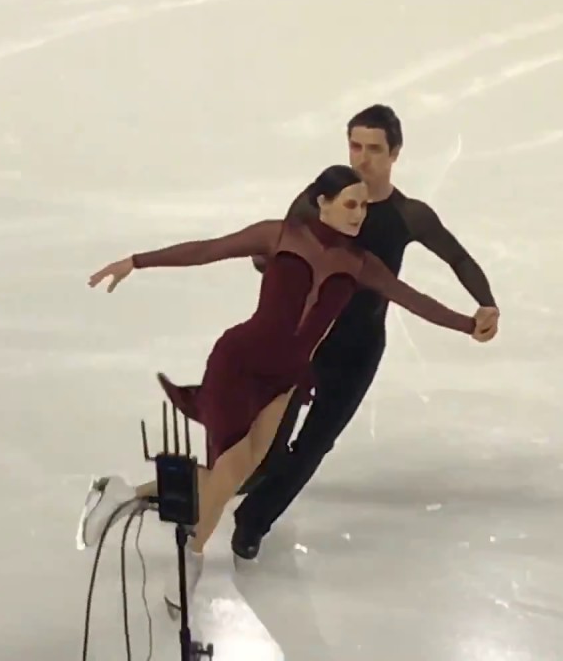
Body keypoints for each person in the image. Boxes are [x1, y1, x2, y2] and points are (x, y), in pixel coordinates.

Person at [76, 164, 487, 613]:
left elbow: (413, 299)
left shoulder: (360, 263)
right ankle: (189, 563)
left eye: (365, 206)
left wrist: (468, 325)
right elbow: (207, 250)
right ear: (323, 203)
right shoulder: (279, 235)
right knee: (231, 471)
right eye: (351, 204)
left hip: (286, 381)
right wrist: (136, 262)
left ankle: (122, 494)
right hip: (240, 362)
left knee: (237, 476)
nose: (359, 215)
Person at [229, 104, 499, 561]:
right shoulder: (322, 199)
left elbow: (459, 259)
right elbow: (279, 246)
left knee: (315, 444)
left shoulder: (409, 216)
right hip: (305, 336)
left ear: (395, 153)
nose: (362, 159)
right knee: (270, 439)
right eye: (355, 146)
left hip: (359, 347)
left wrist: (485, 302)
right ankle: (255, 477)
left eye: (374, 149)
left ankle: (253, 522)